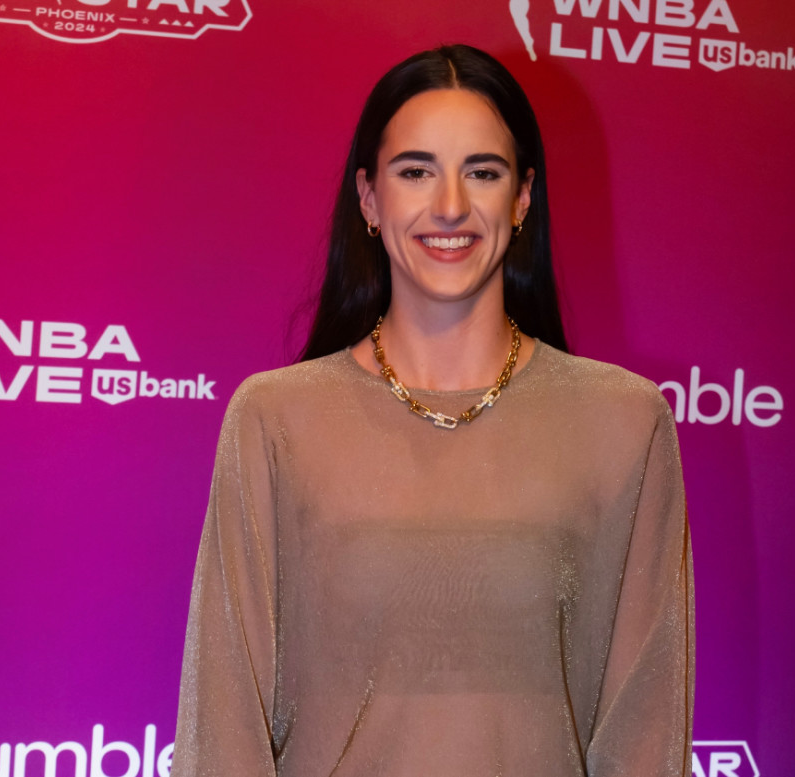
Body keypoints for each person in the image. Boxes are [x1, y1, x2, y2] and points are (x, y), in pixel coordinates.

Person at [173, 45, 692, 777]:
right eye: (415, 171)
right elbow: (224, 724)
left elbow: (645, 729)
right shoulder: (276, 420)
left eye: (483, 171)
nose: (449, 204)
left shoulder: (623, 423)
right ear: (368, 199)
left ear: (522, 199)